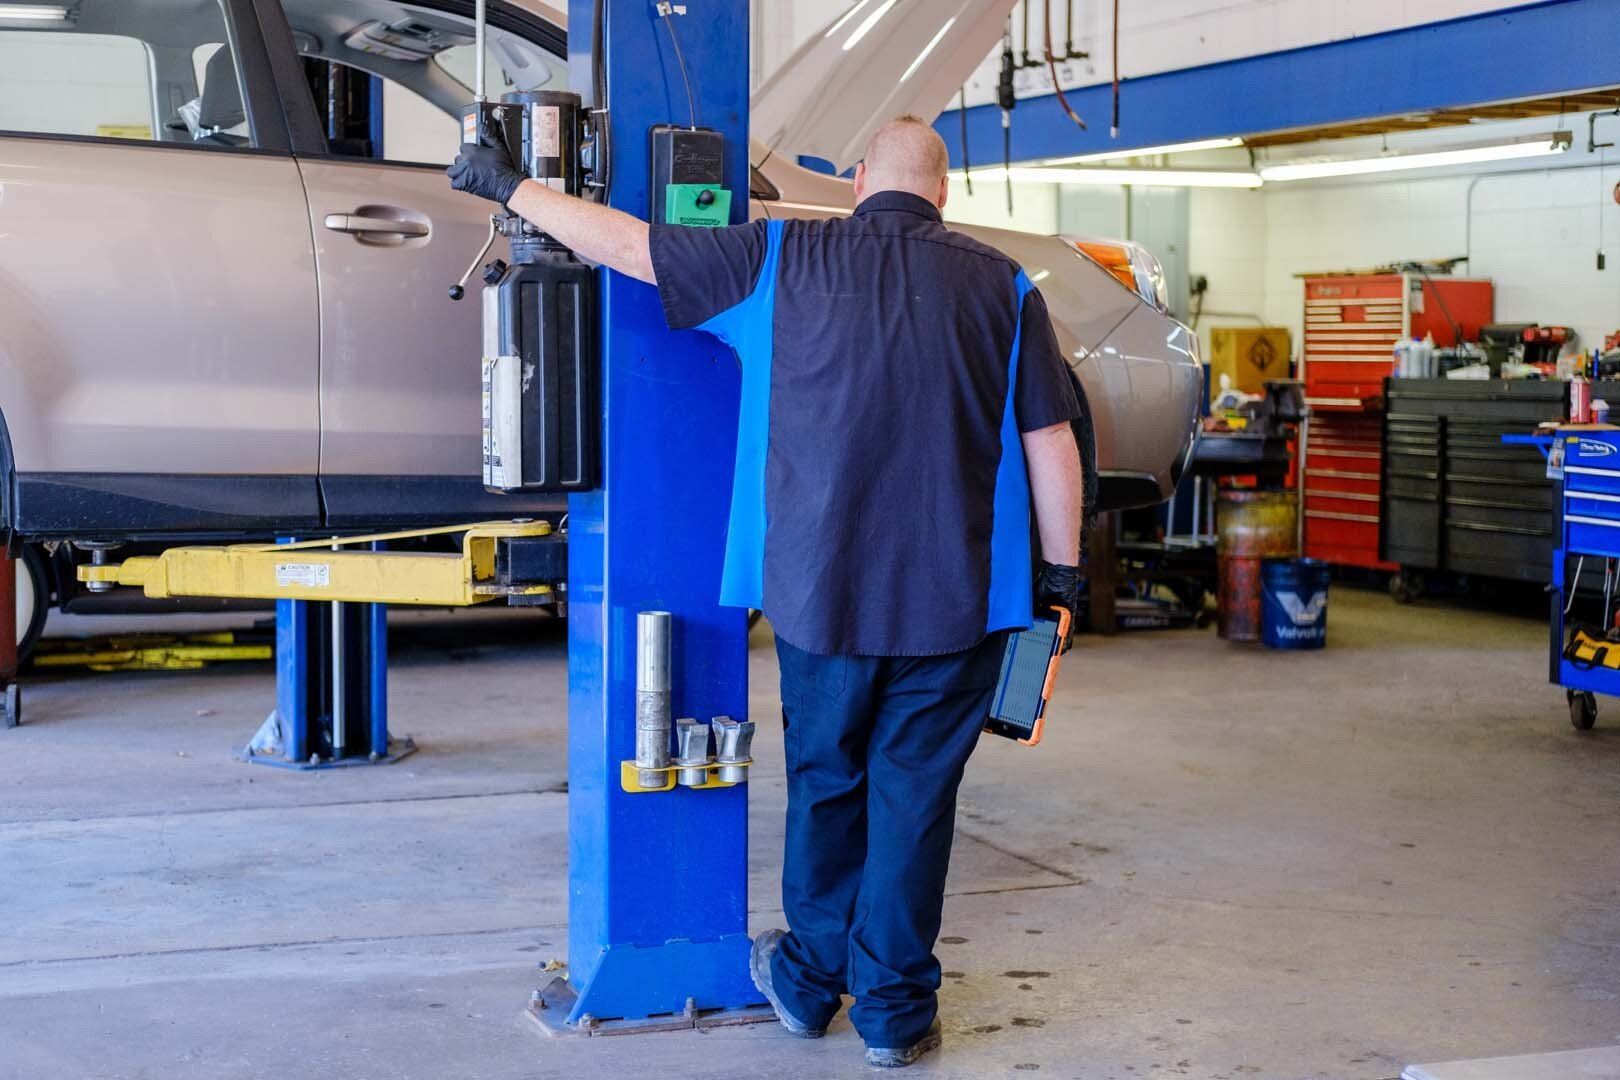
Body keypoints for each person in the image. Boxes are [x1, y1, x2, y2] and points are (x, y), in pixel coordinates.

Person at [450, 114, 1084, 1069]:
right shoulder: (1002, 284)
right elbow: (1051, 441)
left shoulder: (781, 256)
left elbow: (633, 248)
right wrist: (1064, 578)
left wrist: (509, 187)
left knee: (827, 781)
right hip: (959, 600)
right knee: (915, 798)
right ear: (945, 193)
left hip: (819, 589)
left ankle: (806, 983)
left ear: (858, 175)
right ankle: (896, 1016)